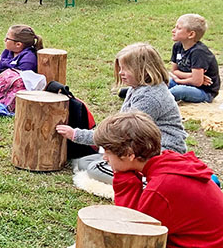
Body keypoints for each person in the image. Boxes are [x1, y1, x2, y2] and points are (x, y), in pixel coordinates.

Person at [93, 110, 223, 248]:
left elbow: (131, 231)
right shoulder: (169, 162)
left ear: (129, 154)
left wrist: (123, 178)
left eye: (107, 151)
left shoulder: (162, 187)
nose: (104, 157)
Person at [56, 42, 186, 185]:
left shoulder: (150, 98)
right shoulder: (137, 88)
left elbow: (120, 134)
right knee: (83, 162)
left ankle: (147, 181)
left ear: (143, 70)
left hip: (159, 154)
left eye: (125, 68)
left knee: (94, 168)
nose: (120, 73)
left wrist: (76, 135)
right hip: (139, 148)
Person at [169, 14, 218, 103]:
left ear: (191, 34)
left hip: (204, 91)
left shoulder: (199, 52)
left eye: (178, 28)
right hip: (186, 82)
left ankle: (159, 104)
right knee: (161, 83)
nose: (173, 30)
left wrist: (179, 80)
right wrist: (192, 76)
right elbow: (174, 71)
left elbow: (197, 82)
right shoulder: (177, 46)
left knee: (178, 91)